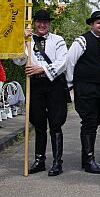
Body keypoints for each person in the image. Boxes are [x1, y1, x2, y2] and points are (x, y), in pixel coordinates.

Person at [16, 9, 68, 176]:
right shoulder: (28, 41)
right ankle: (39, 160)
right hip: (35, 86)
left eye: (45, 22)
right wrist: (21, 41)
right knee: (38, 124)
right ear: (34, 23)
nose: (42, 24)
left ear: (49, 24)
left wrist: (42, 69)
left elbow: (63, 62)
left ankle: (57, 162)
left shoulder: (58, 40)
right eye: (39, 21)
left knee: (55, 124)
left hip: (54, 85)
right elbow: (18, 60)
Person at [66, 11, 100, 174]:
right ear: (92, 24)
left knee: (96, 120)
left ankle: (86, 158)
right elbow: (70, 61)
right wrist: (70, 83)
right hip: (85, 87)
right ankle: (89, 160)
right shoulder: (82, 40)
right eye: (99, 22)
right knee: (90, 121)